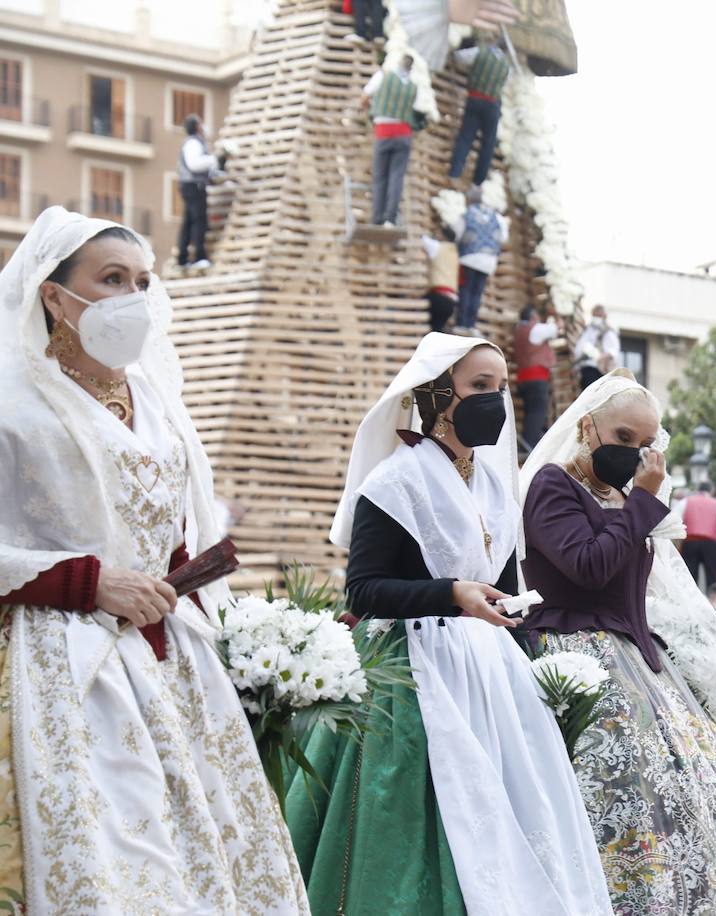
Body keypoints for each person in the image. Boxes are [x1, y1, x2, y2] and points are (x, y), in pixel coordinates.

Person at [0, 206, 309, 912]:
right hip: (58, 664)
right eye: (111, 279)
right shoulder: (11, 402)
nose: (133, 297)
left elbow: (166, 525)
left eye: (143, 280)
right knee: (112, 860)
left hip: (172, 664)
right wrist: (89, 582)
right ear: (54, 295)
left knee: (209, 850)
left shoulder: (158, 404)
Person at [285, 332, 611, 915]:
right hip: (411, 674)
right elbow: (363, 589)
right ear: (437, 393)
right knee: (426, 820)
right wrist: (451, 593)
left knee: (521, 812)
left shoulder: (493, 485)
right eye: (479, 387)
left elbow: (509, 588)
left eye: (501, 387)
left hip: (494, 674)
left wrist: (535, 662)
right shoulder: (394, 482)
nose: (496, 399)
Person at [518, 369, 716, 913]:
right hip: (572, 653)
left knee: (685, 797)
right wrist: (643, 505)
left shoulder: (626, 499)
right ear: (587, 427)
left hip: (635, 660)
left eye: (645, 443)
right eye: (623, 438)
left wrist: (696, 645)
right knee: (617, 796)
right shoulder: (552, 485)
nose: (634, 452)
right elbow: (587, 567)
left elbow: (639, 590)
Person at [362, 54, 423, 227]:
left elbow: (364, 97)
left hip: (384, 131)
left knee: (380, 177)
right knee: (396, 177)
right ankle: (390, 218)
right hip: (404, 133)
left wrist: (370, 111)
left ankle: (377, 218)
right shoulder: (413, 86)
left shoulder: (383, 76)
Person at [448, 33, 510, 185]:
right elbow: (506, 84)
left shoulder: (480, 52)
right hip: (492, 104)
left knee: (466, 136)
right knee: (488, 143)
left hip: (475, 98)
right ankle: (478, 181)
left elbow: (460, 57)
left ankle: (455, 172)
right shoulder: (507, 66)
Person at [452, 184, 508, 332]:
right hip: (489, 259)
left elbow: (458, 233)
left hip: (469, 257)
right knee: (477, 292)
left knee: (466, 290)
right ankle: (471, 325)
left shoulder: (466, 214)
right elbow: (503, 236)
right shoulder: (495, 215)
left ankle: (461, 323)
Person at [177, 113, 223, 269]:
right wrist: (214, 159)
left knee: (188, 222)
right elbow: (195, 164)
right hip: (194, 186)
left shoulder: (193, 143)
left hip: (189, 185)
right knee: (199, 221)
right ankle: (199, 257)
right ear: (197, 127)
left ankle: (183, 258)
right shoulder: (194, 143)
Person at [514, 305, 559, 447]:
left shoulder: (519, 331)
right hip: (536, 378)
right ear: (533, 316)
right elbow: (556, 328)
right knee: (537, 413)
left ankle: (527, 444)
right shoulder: (536, 329)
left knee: (531, 412)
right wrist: (555, 314)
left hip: (523, 379)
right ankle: (529, 447)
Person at [420, 226, 459, 332]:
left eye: (438, 234)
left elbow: (422, 239)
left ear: (443, 236)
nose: (436, 236)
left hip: (438, 296)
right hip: (451, 300)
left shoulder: (437, 247)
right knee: (437, 328)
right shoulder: (454, 252)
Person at [574, 304, 619, 390]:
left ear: (604, 316)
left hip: (597, 371)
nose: (595, 318)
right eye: (594, 315)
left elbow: (613, 352)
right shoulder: (588, 329)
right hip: (584, 370)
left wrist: (600, 357)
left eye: (598, 315)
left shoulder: (608, 331)